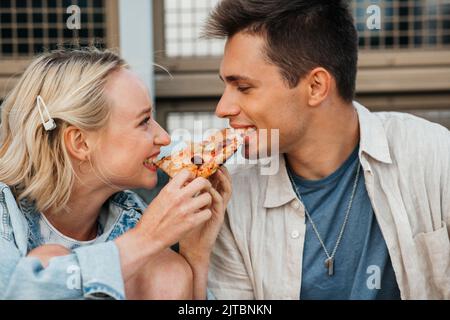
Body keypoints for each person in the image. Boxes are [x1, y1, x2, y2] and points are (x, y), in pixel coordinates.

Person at [205, 0, 450, 299]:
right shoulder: (233, 196)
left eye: (243, 88)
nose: (223, 108)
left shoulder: (434, 156)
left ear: (316, 86)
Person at [0, 48, 231, 300]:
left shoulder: (128, 215)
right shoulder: (5, 209)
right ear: (80, 142)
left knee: (168, 271)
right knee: (50, 260)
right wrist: (146, 238)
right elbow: (20, 291)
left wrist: (194, 255)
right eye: (144, 121)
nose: (164, 137)